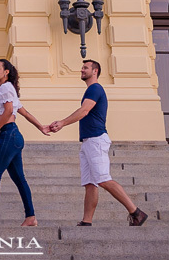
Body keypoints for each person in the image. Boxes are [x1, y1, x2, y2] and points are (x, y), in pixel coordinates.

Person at [49, 59, 149, 227]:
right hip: (88, 141)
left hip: (96, 140)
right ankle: (87, 221)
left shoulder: (95, 88)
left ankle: (136, 212)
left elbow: (84, 110)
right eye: (82, 67)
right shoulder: (91, 89)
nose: (82, 70)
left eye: (85, 68)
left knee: (103, 179)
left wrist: (62, 123)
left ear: (95, 71)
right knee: (90, 183)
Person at [0, 59, 50, 227]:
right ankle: (30, 217)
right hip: (12, 136)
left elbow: (8, 111)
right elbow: (24, 113)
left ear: (6, 72)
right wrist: (41, 127)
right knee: (20, 179)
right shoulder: (7, 89)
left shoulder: (6, 88)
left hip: (8, 135)